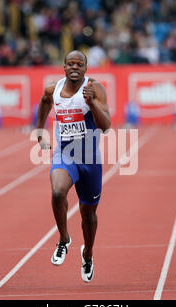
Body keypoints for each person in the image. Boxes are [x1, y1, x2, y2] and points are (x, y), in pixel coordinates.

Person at [36, 50, 111, 282]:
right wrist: (40, 131)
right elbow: (44, 103)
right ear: (64, 67)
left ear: (86, 69)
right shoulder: (53, 89)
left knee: (88, 214)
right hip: (65, 154)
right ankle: (64, 238)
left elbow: (106, 126)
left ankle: (87, 253)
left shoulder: (95, 88)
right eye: (70, 63)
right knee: (58, 192)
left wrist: (92, 104)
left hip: (89, 159)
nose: (74, 67)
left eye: (79, 64)